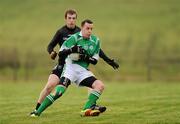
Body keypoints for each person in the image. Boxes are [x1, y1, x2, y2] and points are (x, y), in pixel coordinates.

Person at [30, 9, 119, 115]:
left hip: (81, 68)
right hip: (65, 65)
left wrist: (107, 60)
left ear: (76, 20)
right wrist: (57, 52)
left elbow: (96, 53)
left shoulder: (93, 39)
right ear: (66, 19)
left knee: (98, 86)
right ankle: (36, 111)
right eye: (69, 18)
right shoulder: (63, 33)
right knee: (54, 88)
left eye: (73, 18)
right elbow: (56, 49)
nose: (71, 20)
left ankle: (88, 108)